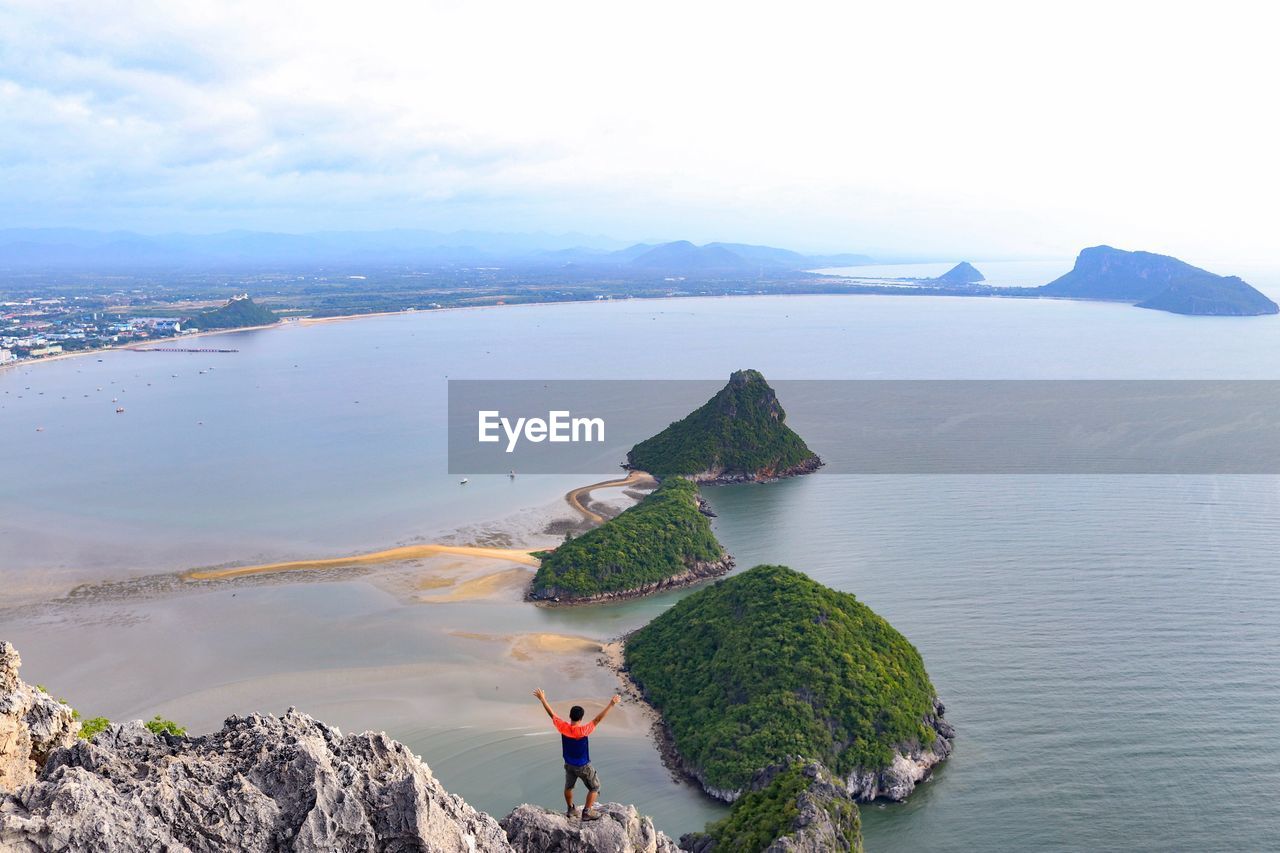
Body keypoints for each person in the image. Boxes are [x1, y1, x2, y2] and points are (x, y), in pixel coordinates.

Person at [532, 687, 620, 821]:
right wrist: (611, 704)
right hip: (583, 766)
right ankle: (587, 812)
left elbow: (552, 714)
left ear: (570, 716)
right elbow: (597, 720)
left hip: (569, 764)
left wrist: (543, 699)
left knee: (568, 787)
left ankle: (571, 809)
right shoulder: (584, 731)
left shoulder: (563, 727)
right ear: (581, 718)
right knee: (595, 787)